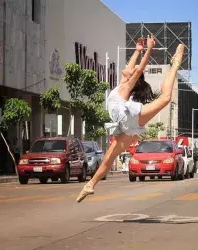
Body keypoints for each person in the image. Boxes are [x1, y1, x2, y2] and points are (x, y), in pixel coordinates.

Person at [76, 35, 185, 203]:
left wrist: (149, 49)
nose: (128, 68)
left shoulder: (127, 84)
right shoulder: (123, 83)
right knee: (108, 157)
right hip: (126, 126)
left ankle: (174, 65)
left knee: (165, 98)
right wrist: (137, 50)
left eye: (130, 70)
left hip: (131, 117)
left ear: (132, 77)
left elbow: (139, 68)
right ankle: (90, 185)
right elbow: (132, 66)